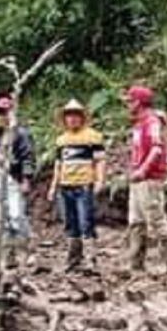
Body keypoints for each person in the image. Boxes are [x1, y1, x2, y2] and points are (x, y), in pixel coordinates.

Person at [47, 99, 107, 273]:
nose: (72, 119)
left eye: (75, 115)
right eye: (69, 116)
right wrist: (53, 186)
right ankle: (73, 259)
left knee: (86, 221)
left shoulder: (93, 136)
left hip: (84, 185)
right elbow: (58, 164)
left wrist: (100, 180)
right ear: (65, 119)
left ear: (82, 117)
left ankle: (91, 260)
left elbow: (100, 161)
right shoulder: (61, 140)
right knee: (70, 222)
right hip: (65, 186)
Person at [125, 85, 167, 276]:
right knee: (136, 221)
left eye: (130, 101)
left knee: (156, 220)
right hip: (138, 178)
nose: (128, 105)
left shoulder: (152, 122)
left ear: (138, 102)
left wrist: (143, 170)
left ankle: (166, 263)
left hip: (149, 179)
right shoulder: (139, 123)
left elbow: (157, 148)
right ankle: (136, 264)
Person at [0, 94, 36, 270]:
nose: (1, 115)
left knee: (17, 216)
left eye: (4, 111)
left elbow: (28, 157)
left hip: (14, 179)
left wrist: (26, 179)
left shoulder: (21, 133)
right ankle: (9, 256)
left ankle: (29, 251)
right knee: (3, 219)